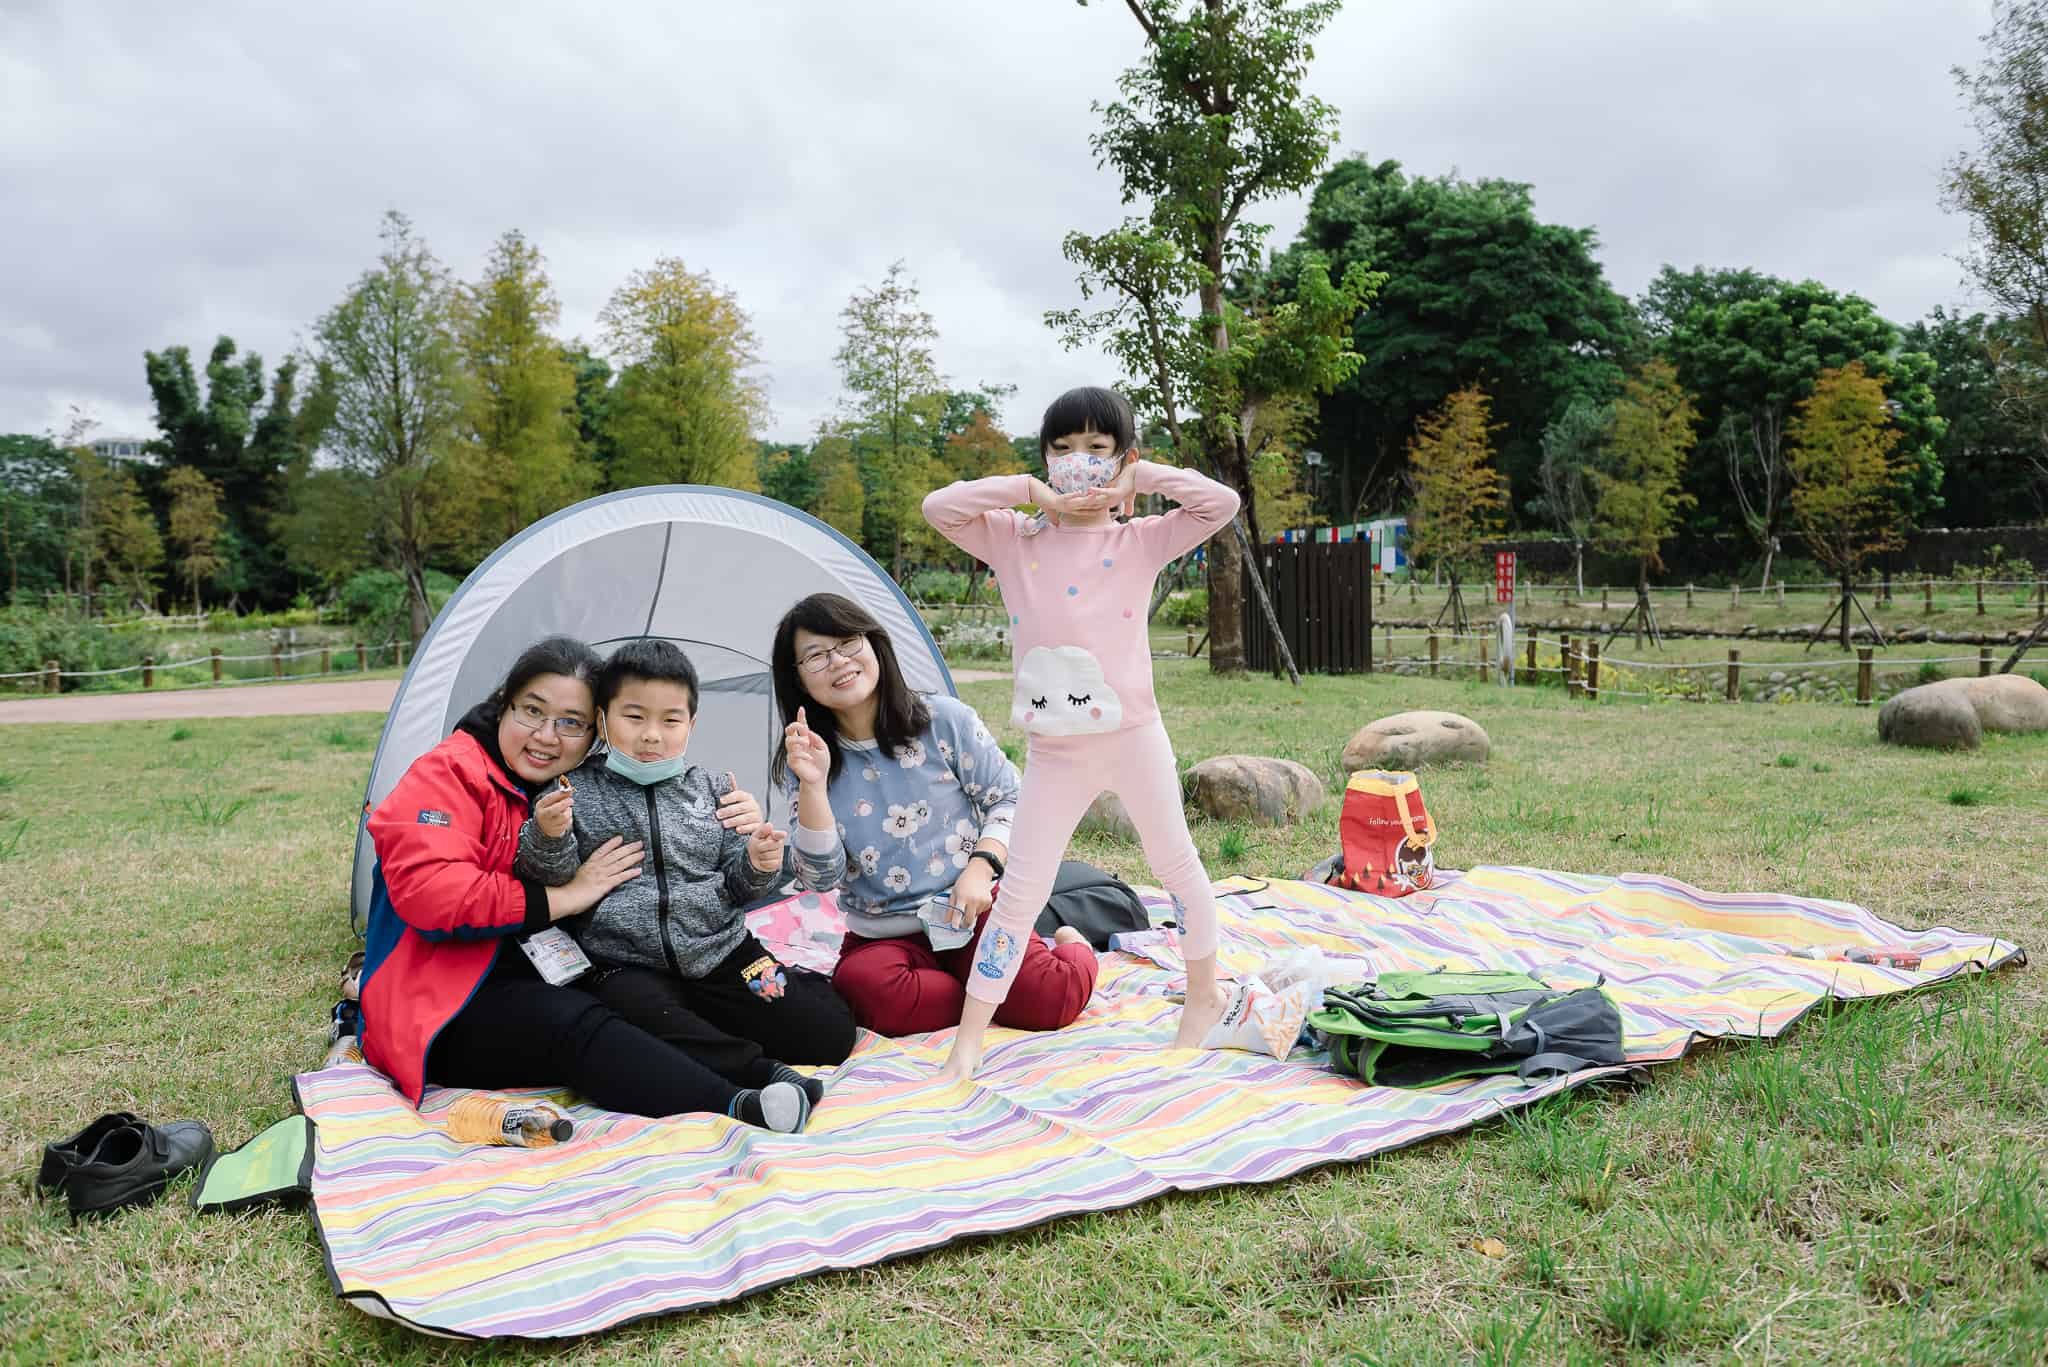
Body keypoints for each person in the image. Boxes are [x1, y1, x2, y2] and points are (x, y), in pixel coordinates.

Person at [359, 636, 815, 1132]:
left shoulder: (569, 784)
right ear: (502, 704)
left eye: (569, 723)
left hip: (548, 970)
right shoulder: (446, 774)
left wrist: (738, 819)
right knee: (585, 1024)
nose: (547, 735)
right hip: (445, 1001)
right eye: (532, 711)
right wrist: (567, 895)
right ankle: (737, 1105)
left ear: (593, 730)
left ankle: (757, 1071)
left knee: (623, 1006)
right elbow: (434, 898)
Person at [919, 385, 1239, 1080]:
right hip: (1054, 750)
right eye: (1062, 449)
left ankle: (1203, 996)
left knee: (1176, 863)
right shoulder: (1012, 536)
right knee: (1021, 890)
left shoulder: (1141, 539)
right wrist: (1033, 491)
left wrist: (1142, 479)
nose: (1079, 463)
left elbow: (1222, 503)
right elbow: (937, 508)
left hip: (1134, 736)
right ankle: (969, 1037)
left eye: (1098, 449)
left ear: (1121, 458)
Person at [516, 639, 855, 1113]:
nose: (652, 735)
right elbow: (545, 877)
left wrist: (758, 862)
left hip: (723, 953)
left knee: (829, 1037)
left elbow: (741, 887)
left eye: (670, 720)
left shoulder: (715, 790)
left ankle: (753, 1002)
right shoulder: (574, 791)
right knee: (634, 1011)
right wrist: (548, 836)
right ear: (602, 721)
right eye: (634, 717)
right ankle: (762, 1073)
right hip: (625, 966)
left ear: (691, 725)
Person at [771, 593, 1097, 1038]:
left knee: (1049, 1001)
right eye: (816, 656)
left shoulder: (944, 721)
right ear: (798, 680)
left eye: (848, 643)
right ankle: (986, 986)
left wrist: (982, 869)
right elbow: (820, 878)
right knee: (868, 992)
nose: (838, 661)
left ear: (874, 644)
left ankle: (1068, 947)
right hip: (882, 936)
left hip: (971, 908)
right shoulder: (807, 759)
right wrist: (812, 785)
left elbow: (1014, 798)